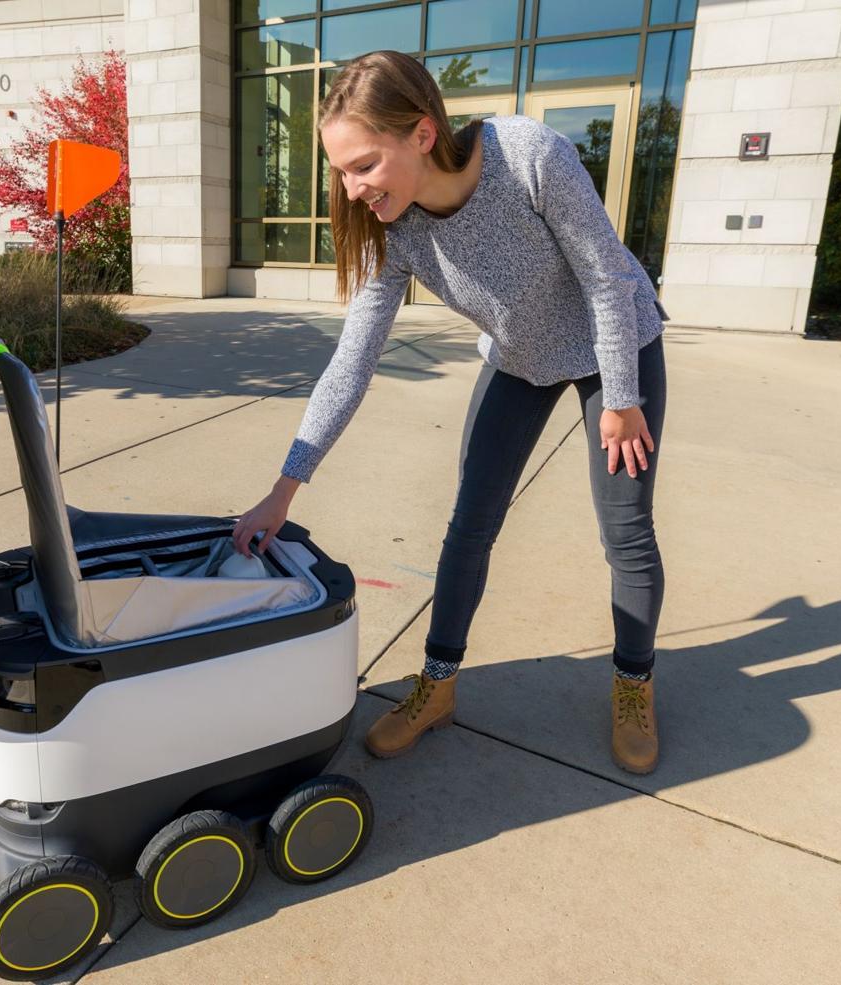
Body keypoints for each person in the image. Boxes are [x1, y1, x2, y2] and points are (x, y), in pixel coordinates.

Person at [230, 50, 668, 775]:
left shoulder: (530, 156)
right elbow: (353, 360)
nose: (353, 187)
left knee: (625, 530)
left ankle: (633, 684)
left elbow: (605, 277)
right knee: (469, 526)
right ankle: (437, 685)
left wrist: (621, 399)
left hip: (617, 343)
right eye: (341, 170)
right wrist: (286, 485)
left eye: (365, 164)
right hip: (520, 360)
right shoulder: (395, 232)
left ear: (423, 134)